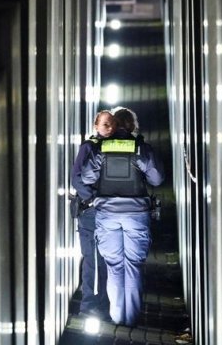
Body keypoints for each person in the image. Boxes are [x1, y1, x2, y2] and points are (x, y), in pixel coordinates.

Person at [81, 107, 164, 326]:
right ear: (133, 127)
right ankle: (130, 318)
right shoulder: (141, 148)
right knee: (133, 266)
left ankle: (117, 317)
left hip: (107, 214)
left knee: (114, 266)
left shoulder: (102, 148)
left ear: (115, 126)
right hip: (136, 214)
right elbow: (156, 179)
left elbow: (87, 176)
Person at [70, 110, 115, 319]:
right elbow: (76, 177)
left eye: (112, 124)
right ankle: (88, 305)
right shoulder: (88, 147)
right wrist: (90, 198)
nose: (109, 128)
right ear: (95, 126)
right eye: (105, 124)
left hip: (108, 210)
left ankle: (102, 304)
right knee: (91, 259)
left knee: (105, 260)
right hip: (91, 210)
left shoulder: (116, 147)